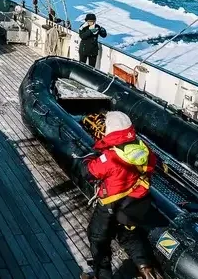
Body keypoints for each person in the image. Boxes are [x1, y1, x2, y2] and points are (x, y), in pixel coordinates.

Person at [82, 111, 158, 279]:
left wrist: (90, 158)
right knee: (128, 235)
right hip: (133, 203)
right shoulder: (142, 148)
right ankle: (145, 269)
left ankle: (103, 276)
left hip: (110, 205)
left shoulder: (111, 157)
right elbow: (152, 163)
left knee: (97, 238)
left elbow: (89, 172)